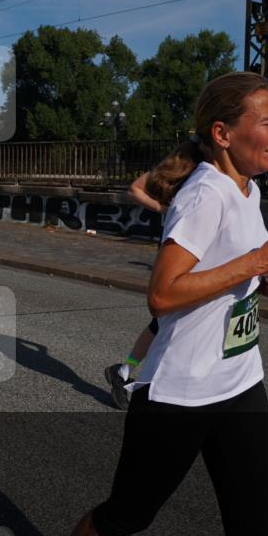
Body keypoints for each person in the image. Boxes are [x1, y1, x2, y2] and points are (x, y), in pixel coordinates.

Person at [42, 72, 268, 536]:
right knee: (128, 515)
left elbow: (229, 274)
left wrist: (265, 280)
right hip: (180, 394)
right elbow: (163, 294)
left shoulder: (249, 191)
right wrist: (257, 261)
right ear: (222, 133)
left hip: (241, 382)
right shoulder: (203, 194)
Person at [103, 171, 165, 410]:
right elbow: (135, 189)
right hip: (177, 255)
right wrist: (164, 208)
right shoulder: (187, 161)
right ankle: (128, 372)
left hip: (206, 260)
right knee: (163, 323)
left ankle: (124, 370)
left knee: (162, 325)